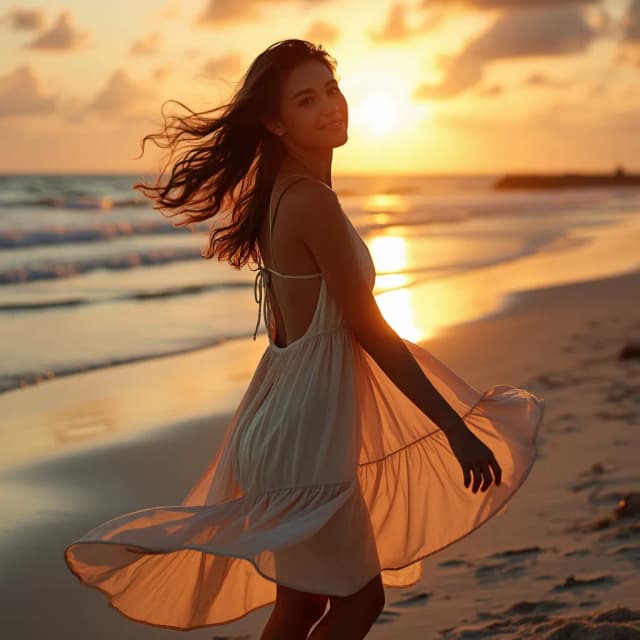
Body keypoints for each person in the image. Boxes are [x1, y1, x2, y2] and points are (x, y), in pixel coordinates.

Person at [64, 39, 544, 640]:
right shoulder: (308, 200)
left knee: (304, 607)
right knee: (354, 603)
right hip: (304, 442)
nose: (330, 107)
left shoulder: (283, 192)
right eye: (307, 99)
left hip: (290, 429)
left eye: (332, 90)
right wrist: (453, 428)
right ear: (275, 120)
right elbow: (368, 329)